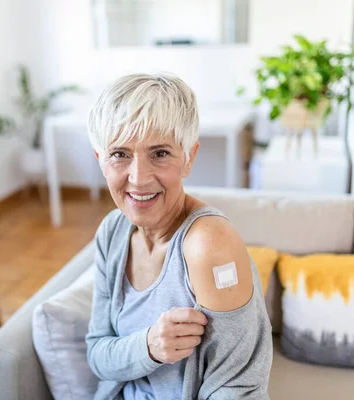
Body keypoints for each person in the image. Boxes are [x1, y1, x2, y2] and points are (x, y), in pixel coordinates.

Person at [85, 73, 273, 400]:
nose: (139, 178)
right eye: (120, 154)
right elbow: (98, 356)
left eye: (159, 153)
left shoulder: (208, 245)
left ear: (189, 157)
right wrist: (150, 345)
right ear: (101, 161)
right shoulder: (112, 233)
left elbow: (238, 389)